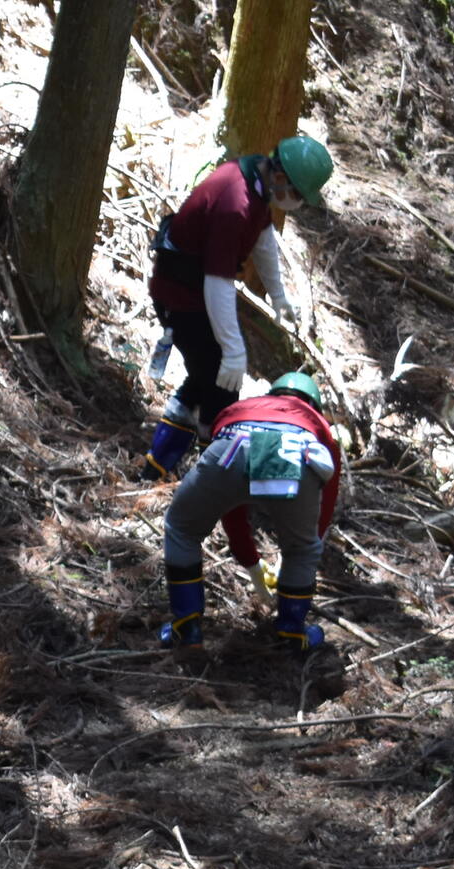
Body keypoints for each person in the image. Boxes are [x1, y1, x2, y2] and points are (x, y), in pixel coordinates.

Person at [141, 134, 333, 481]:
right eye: (298, 195)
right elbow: (218, 282)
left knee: (208, 377)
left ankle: (162, 467)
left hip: (196, 292)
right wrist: (232, 349)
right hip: (181, 296)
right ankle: (209, 477)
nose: (298, 203)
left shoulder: (256, 183)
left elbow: (263, 240)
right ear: (280, 177)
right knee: (221, 383)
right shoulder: (236, 203)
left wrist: (278, 295)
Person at [158, 371, 343, 652]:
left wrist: (249, 560)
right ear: (314, 404)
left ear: (271, 394)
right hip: (299, 454)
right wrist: (306, 544)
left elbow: (229, 505)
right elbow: (325, 499)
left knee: (181, 528)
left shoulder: (240, 408)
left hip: (233, 443)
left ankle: (187, 627)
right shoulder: (319, 425)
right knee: (303, 549)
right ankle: (292, 632)